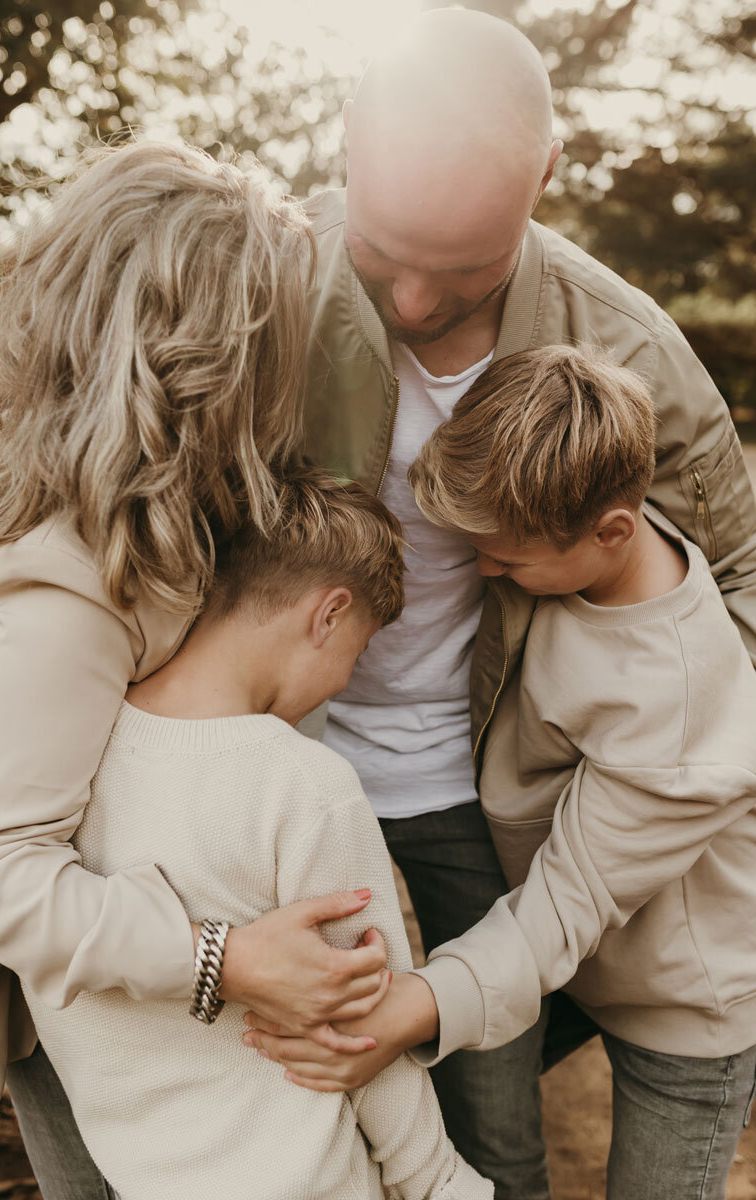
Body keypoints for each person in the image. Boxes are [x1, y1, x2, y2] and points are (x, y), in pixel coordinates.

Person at [0, 8, 756, 1198]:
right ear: (342, 146)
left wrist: (646, 748)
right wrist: (219, 959)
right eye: (385, 258)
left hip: (459, 796)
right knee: (207, 1104)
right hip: (238, 777)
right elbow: (86, 456)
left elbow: (727, 593)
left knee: (474, 1125)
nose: (417, 303)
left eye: (466, 269)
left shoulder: (625, 351)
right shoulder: (258, 295)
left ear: (544, 176)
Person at [0, 141, 393, 1199]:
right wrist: (224, 960)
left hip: (132, 976)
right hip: (76, 999)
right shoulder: (69, 589)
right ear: (205, 355)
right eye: (281, 339)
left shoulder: (174, 519)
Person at [259, 346, 756, 1198]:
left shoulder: (674, 719)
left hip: (684, 1006)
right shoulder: (590, 538)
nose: (486, 573)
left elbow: (564, 908)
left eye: (508, 559)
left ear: (612, 531)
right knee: (468, 1084)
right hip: (581, 955)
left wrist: (404, 1011)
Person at [22, 468, 494, 1200]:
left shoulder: (68, 756)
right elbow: (361, 1019)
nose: (340, 683)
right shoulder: (304, 785)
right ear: (329, 614)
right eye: (357, 655)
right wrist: (438, 1180)